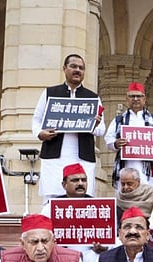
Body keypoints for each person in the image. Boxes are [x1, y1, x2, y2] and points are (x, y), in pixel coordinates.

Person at [32, 54, 105, 199]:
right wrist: (41, 134)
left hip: (82, 157)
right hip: (54, 156)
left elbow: (101, 129)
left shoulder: (93, 97)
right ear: (64, 69)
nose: (77, 70)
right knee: (52, 199)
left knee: (82, 199)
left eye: (81, 68)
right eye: (73, 66)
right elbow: (36, 120)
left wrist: (93, 125)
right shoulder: (50, 93)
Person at [40, 163, 105, 262]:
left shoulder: (99, 207)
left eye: (84, 180)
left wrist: (103, 247)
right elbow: (41, 233)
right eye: (75, 180)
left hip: (91, 257)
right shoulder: (51, 207)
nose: (80, 183)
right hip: (60, 258)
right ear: (64, 185)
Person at [106, 82, 153, 189]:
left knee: (149, 201)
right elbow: (108, 139)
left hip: (149, 171)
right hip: (126, 166)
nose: (136, 99)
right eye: (132, 96)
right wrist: (116, 143)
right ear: (127, 99)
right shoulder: (119, 120)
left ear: (144, 99)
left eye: (139, 96)